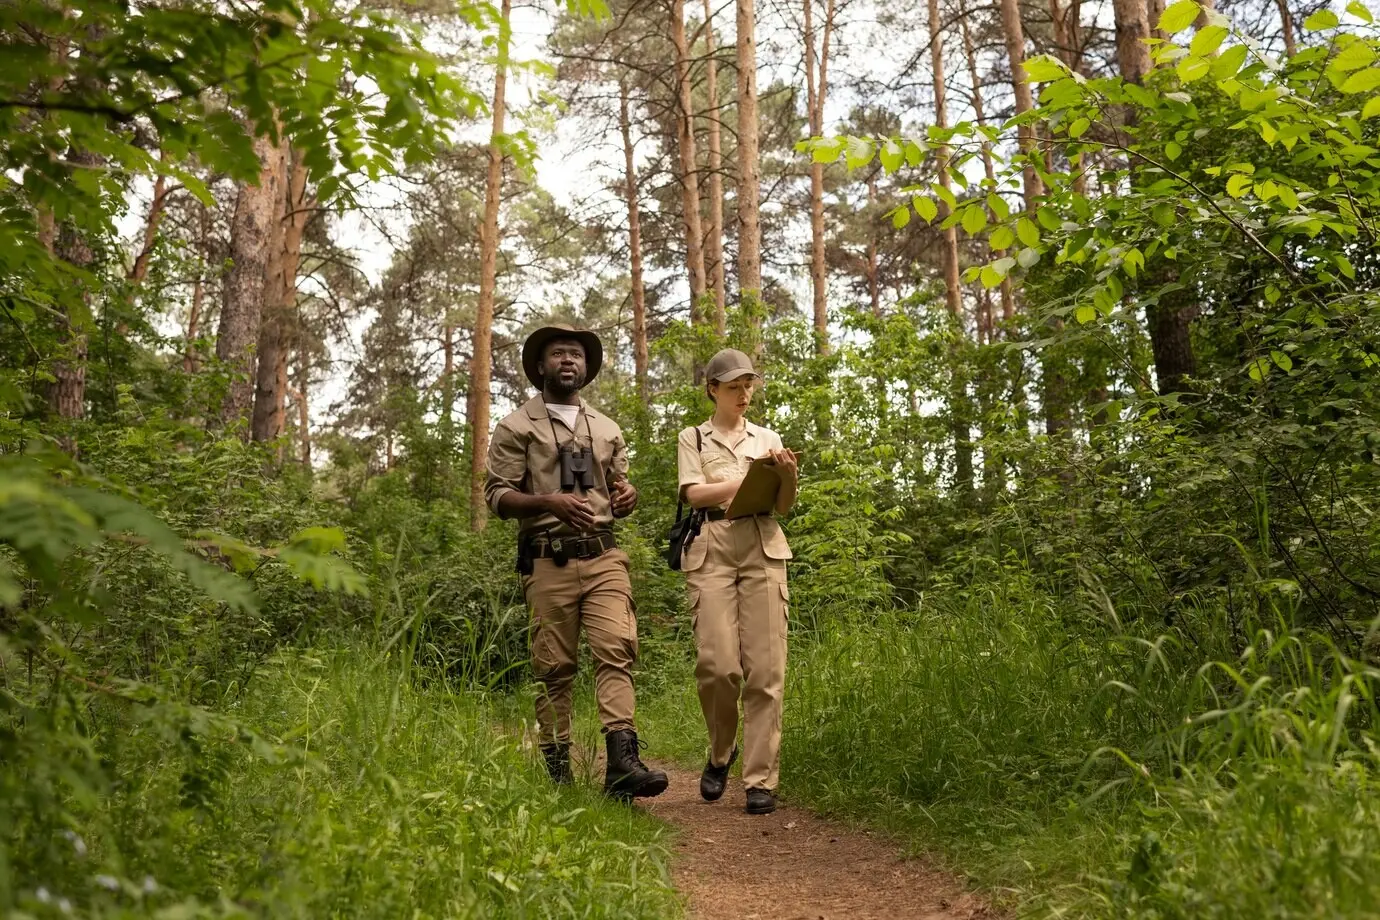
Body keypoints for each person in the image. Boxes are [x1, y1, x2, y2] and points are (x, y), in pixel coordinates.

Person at [485, 324, 669, 801]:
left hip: (605, 554)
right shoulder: (515, 426)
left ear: (586, 368)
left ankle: (623, 767)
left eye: (576, 355)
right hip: (548, 560)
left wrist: (628, 496)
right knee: (554, 667)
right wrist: (548, 502)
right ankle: (558, 775)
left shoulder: (607, 428)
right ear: (540, 367)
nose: (569, 360)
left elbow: (619, 486)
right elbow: (497, 497)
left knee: (616, 649)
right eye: (558, 354)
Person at [676, 348, 798, 815]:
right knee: (718, 666)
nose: (744, 394)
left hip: (763, 543)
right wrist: (746, 477)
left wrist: (786, 474)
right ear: (713, 390)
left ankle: (760, 780)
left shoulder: (768, 437)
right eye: (733, 387)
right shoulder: (694, 438)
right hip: (713, 546)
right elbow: (693, 493)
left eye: (749, 385)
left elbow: (784, 504)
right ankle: (720, 752)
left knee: (766, 672)